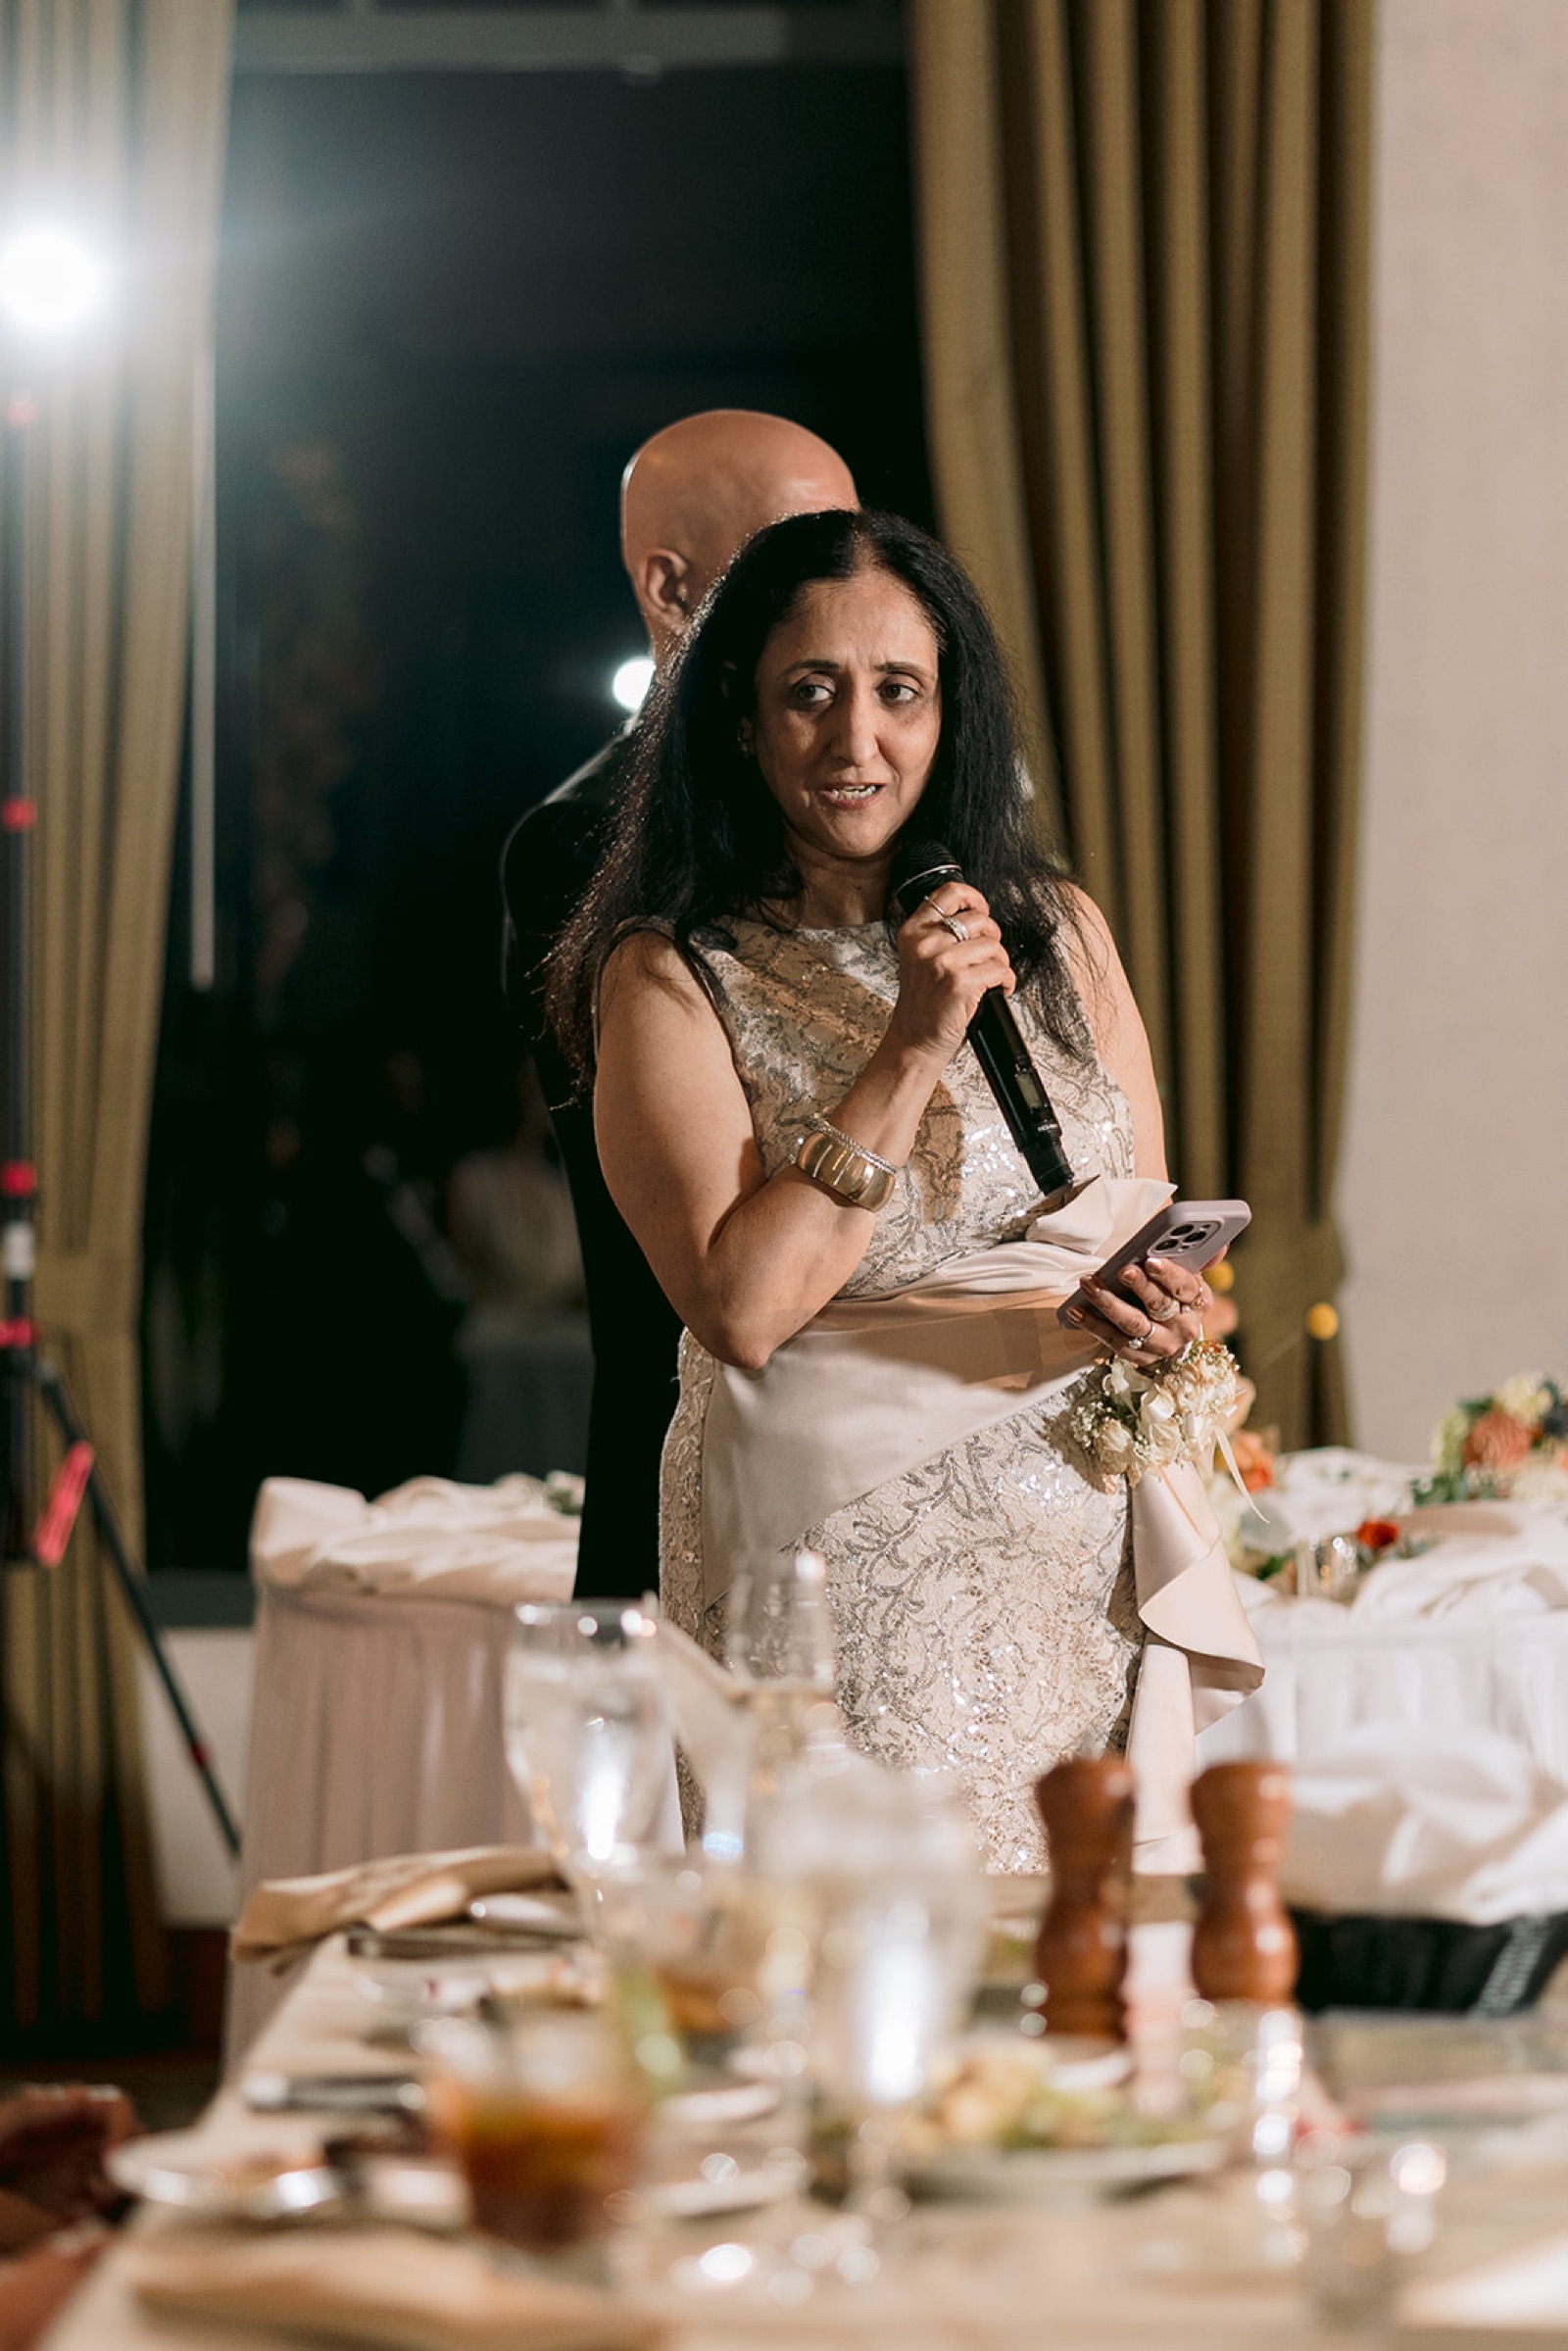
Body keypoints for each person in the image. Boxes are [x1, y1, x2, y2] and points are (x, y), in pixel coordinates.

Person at [552, 508, 1257, 1871]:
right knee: (847, 1955)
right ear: (743, 721)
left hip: (1071, 1551)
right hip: (832, 1566)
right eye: (808, 691)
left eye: (898, 692)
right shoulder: (669, 974)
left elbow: (1146, 1232)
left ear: (952, 719)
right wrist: (910, 1043)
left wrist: (1175, 1313)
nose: (854, 737)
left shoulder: (1058, 930)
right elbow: (739, 1306)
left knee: (1065, 1957)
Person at [501, 412, 857, 1597]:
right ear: (671, 585)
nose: (847, 586)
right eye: (800, 553)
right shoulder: (583, 848)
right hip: (701, 1464)